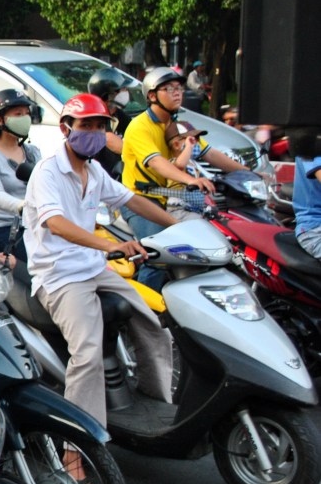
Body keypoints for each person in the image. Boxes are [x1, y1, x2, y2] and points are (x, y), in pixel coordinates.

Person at [22, 93, 176, 436]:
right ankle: (79, 445)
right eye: (85, 126)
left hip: (94, 269)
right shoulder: (48, 172)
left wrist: (178, 227)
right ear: (66, 129)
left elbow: (132, 199)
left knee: (155, 328)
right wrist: (110, 246)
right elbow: (56, 223)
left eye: (100, 126)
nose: (93, 132)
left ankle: (155, 406)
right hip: (60, 276)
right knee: (87, 355)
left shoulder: (94, 170)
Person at [121, 67, 244, 283]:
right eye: (169, 88)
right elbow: (157, 163)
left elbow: (210, 154)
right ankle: (145, 314)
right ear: (152, 95)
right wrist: (191, 180)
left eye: (179, 88)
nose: (177, 93)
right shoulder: (139, 126)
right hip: (139, 200)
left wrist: (249, 173)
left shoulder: (177, 125)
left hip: (170, 199)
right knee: (161, 255)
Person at [0, 89, 42, 260]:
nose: (25, 118)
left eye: (27, 113)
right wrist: (23, 206)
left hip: (32, 223)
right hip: (3, 227)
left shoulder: (32, 152)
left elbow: (46, 184)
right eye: (18, 114)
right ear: (0, 119)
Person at [86, 66, 140, 171]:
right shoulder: (95, 118)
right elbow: (113, 142)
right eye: (122, 89)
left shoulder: (118, 115)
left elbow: (137, 132)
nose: (126, 92)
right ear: (107, 95)